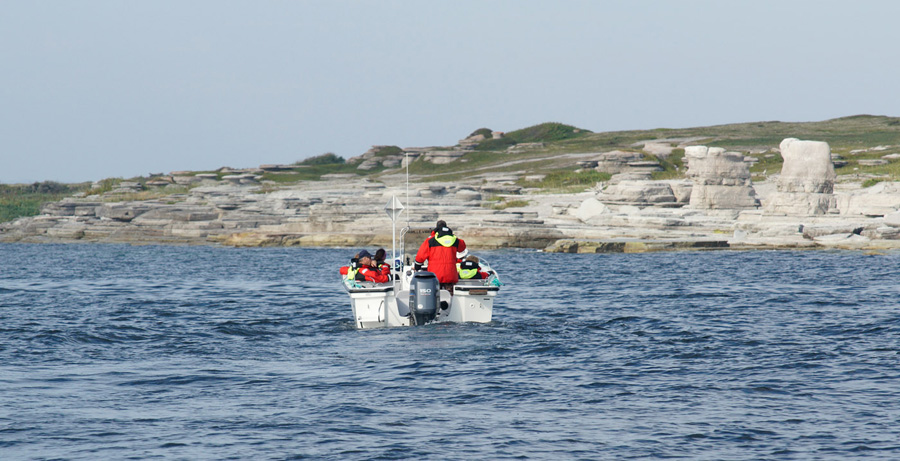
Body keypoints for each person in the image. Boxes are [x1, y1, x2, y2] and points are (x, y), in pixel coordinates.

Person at [415, 223, 466, 290]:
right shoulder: (454, 240)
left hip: (435, 275)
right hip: (450, 274)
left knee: (435, 296)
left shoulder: (430, 240)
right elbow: (462, 248)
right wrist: (453, 237)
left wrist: (417, 266)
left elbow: (421, 255)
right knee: (449, 296)